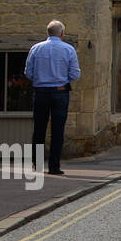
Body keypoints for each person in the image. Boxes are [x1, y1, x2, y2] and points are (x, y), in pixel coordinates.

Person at [24, 20, 81, 176]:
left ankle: (38, 165)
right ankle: (54, 166)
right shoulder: (68, 49)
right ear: (62, 33)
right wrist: (62, 78)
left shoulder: (35, 48)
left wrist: (41, 78)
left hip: (41, 92)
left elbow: (28, 73)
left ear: (47, 33)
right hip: (60, 92)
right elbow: (75, 74)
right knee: (58, 130)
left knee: (39, 129)